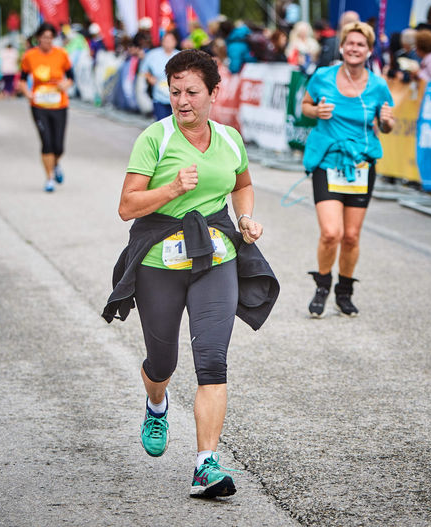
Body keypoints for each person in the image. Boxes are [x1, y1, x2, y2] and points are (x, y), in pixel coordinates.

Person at [102, 49, 278, 498]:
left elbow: (242, 184)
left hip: (215, 257)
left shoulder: (230, 138)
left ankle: (206, 465)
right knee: (163, 364)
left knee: (212, 363)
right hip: (159, 262)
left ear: (214, 93)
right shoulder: (155, 139)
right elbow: (127, 208)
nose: (183, 101)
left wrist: (245, 220)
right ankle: (156, 403)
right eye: (175, 91)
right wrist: (171, 189)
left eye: (192, 92)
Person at [300, 21, 394, 317]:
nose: (354, 49)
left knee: (351, 236)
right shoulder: (323, 76)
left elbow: (386, 125)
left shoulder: (378, 86)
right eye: (350, 43)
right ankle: (322, 284)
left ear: (368, 51)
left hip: (361, 164)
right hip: (328, 160)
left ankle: (345, 291)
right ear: (342, 47)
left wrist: (389, 121)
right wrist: (316, 111)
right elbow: (304, 105)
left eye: (361, 45)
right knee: (331, 232)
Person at [19, 23, 74, 193]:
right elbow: (22, 79)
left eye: (50, 38)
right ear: (38, 38)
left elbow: (71, 77)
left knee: (58, 146)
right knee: (47, 142)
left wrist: (65, 84)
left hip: (59, 104)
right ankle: (49, 178)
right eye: (44, 38)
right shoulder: (30, 56)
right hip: (39, 105)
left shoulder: (61, 54)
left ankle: (55, 163)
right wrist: (26, 92)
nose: (47, 41)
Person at [140, 30, 179, 120]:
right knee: (161, 121)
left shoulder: (180, 55)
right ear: (162, 42)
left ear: (175, 42)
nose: (168, 43)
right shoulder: (153, 54)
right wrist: (150, 78)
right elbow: (144, 70)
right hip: (159, 94)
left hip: (176, 95)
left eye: (170, 41)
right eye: (166, 41)